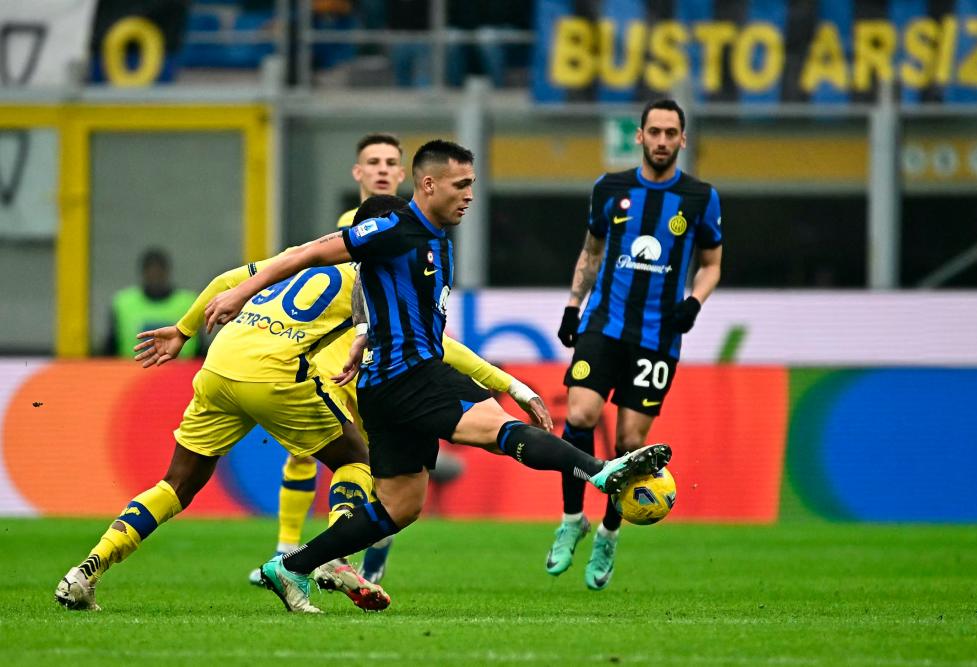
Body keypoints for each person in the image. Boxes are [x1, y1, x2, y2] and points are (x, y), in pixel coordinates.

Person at [202, 139, 672, 612]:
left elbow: (393, 306)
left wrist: (365, 338)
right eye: (461, 184)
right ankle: (601, 471)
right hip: (409, 378)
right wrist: (242, 291)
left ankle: (291, 567)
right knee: (498, 430)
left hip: (387, 385)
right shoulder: (392, 227)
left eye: (473, 184)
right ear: (428, 184)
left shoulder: (438, 242)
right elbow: (309, 254)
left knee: (399, 508)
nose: (470, 195)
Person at [56, 213, 391, 614]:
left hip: (220, 362)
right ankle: (334, 556)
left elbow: (222, 284)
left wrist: (182, 331)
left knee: (176, 484)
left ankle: (85, 572)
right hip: (274, 374)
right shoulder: (375, 281)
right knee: (356, 459)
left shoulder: (298, 256)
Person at [547, 98, 723, 591]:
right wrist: (572, 307)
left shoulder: (701, 197)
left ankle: (608, 531)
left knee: (629, 444)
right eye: (655, 132)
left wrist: (695, 301)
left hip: (659, 336)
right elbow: (592, 251)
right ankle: (570, 518)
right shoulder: (610, 188)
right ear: (640, 136)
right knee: (578, 417)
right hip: (604, 324)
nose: (663, 141)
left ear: (682, 140)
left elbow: (712, 263)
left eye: (672, 133)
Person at [249, 132, 406, 586]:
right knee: (302, 452)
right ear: (357, 173)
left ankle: (367, 564)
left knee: (382, 466)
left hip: (379, 363)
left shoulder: (412, 228)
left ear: (401, 173)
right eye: (372, 161)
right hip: (333, 360)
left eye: (389, 162)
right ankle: (285, 549)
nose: (380, 169)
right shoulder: (352, 225)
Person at [105, 248, 203, 358]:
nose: (155, 275)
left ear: (166, 272)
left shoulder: (188, 303)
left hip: (181, 373)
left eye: (159, 271)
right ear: (143, 273)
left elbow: (202, 349)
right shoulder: (123, 303)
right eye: (151, 271)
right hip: (133, 373)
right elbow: (109, 348)